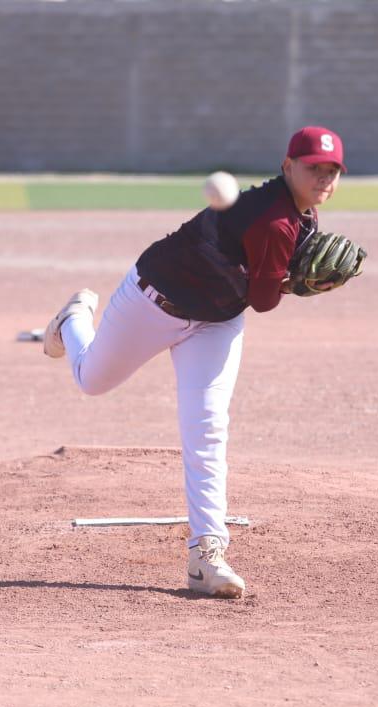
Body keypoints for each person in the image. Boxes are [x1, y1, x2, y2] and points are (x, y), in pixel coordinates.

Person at [42, 126, 347, 598]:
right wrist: (297, 285)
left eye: (332, 170)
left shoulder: (301, 219)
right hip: (152, 301)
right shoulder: (274, 220)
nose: (323, 177)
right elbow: (265, 301)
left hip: (216, 320)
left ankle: (207, 554)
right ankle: (73, 320)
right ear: (287, 167)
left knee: (207, 426)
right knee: (91, 379)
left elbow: (260, 289)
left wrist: (289, 279)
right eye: (314, 168)